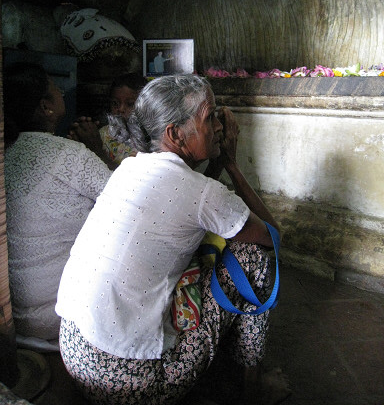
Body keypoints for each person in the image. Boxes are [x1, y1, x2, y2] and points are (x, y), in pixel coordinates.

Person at [56, 74, 290, 404]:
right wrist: (233, 166)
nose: (218, 125)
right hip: (132, 383)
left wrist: (217, 163)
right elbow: (271, 238)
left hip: (76, 354)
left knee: (201, 255)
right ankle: (252, 386)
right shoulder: (201, 192)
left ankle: (226, 367)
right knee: (253, 258)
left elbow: (193, 202)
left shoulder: (130, 168)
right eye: (210, 117)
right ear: (176, 134)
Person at [3, 62, 112, 350]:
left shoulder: (7, 153)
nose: (62, 90)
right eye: (55, 88)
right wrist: (98, 150)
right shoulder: (71, 154)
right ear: (46, 107)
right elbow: (125, 204)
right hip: (59, 313)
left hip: (10, 315)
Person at [68, 73, 147, 168]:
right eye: (115, 103)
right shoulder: (103, 135)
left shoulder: (149, 138)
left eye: (130, 104)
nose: (121, 109)